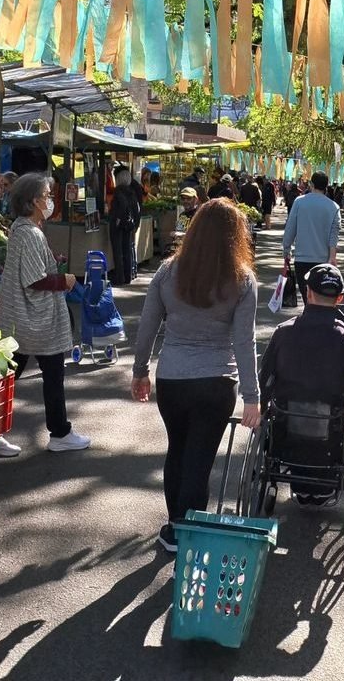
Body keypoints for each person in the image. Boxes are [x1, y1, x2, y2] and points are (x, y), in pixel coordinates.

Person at [131, 198, 260, 553]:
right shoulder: (242, 280)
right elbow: (244, 340)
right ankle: (189, 530)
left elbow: (147, 327)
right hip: (218, 381)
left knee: (177, 451)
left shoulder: (168, 271)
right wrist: (252, 396)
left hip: (172, 378)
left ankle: (174, 527)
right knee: (200, 460)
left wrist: (140, 371)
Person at [258, 264, 344, 505]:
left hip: (287, 430)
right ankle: (324, 488)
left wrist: (262, 408)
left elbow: (264, 378)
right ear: (340, 298)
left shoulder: (283, 333)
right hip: (330, 434)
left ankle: (298, 483)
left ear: (308, 292)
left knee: (278, 410)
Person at [0, 173, 90, 457]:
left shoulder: (23, 229)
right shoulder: (29, 233)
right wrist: (66, 280)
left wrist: (54, 264)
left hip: (24, 318)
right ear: (35, 201)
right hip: (33, 319)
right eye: (47, 195)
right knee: (29, 375)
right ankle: (58, 432)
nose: (50, 200)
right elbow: (35, 279)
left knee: (12, 374)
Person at [282, 172, 341, 297]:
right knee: (320, 297)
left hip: (302, 258)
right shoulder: (334, 207)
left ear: (311, 184)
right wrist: (332, 257)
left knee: (306, 296)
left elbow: (290, 228)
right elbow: (333, 236)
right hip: (323, 260)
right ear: (326, 186)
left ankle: (308, 315)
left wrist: (287, 249)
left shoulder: (299, 202)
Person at [109, 167, 142, 285]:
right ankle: (128, 276)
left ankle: (120, 277)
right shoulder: (131, 191)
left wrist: (117, 219)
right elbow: (135, 208)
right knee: (127, 250)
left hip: (119, 225)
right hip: (128, 224)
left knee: (118, 251)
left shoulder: (119, 191)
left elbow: (122, 205)